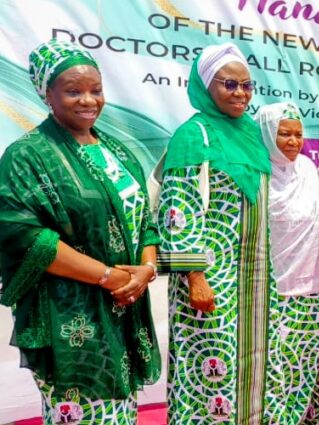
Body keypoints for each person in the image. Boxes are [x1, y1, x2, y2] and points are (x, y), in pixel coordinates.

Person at [0, 40, 160, 424]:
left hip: (124, 307)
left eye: (96, 90)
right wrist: (108, 277)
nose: (88, 100)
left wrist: (146, 269)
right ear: (47, 94)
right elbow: (26, 237)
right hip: (69, 314)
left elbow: (145, 222)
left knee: (120, 414)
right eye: (73, 91)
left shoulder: (118, 151)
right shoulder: (27, 155)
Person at [157, 43, 276, 423]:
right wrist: (195, 278)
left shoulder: (252, 134)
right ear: (206, 86)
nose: (241, 93)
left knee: (254, 365)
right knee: (211, 366)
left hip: (255, 279)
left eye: (247, 85)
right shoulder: (194, 135)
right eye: (229, 84)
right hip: (211, 278)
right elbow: (177, 211)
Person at [256, 102, 319, 424]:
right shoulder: (257, 174)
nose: (294, 141)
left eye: (298, 134)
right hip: (270, 288)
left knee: (303, 362)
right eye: (284, 133)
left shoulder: (309, 169)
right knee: (272, 365)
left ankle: (297, 418)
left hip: (310, 285)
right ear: (267, 133)